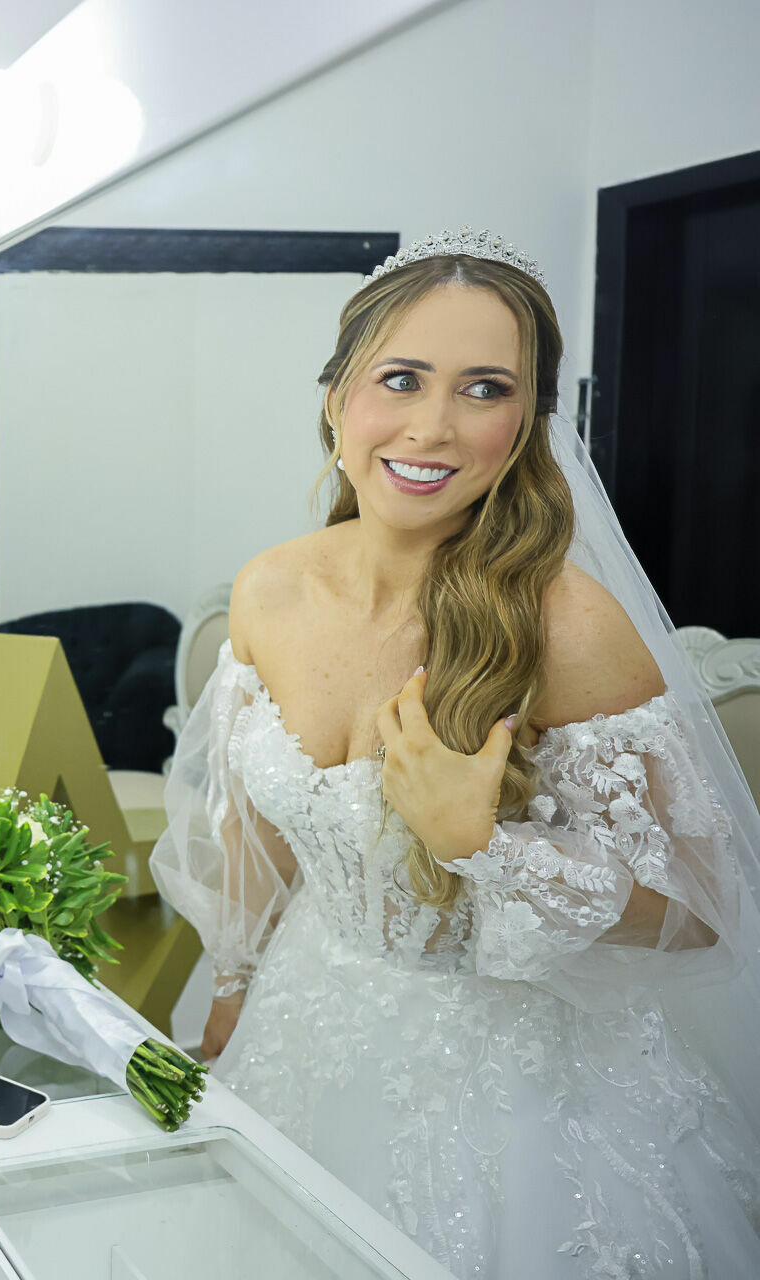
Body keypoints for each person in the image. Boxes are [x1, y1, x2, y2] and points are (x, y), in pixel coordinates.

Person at [150, 230, 760, 1277]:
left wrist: (484, 843)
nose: (433, 426)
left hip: (515, 1091)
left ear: (523, 423)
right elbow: (254, 816)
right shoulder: (267, 589)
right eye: (399, 378)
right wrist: (231, 985)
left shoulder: (567, 626)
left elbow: (701, 907)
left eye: (483, 388)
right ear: (337, 397)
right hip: (304, 1019)